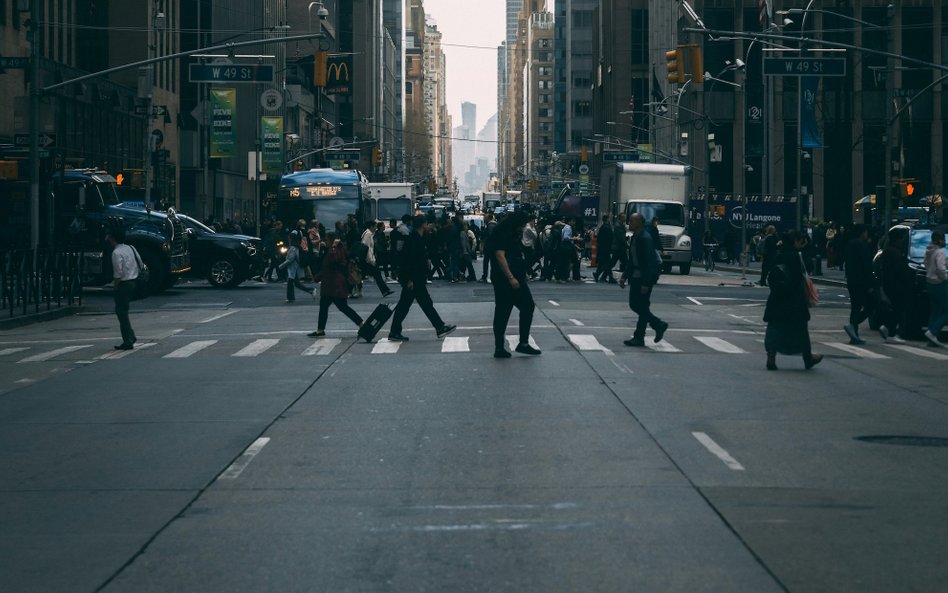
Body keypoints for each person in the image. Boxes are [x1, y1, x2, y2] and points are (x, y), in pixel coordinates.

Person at [388, 215, 457, 342]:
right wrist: (409, 279)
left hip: (415, 278)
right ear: (423, 225)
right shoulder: (414, 239)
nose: (429, 226)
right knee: (424, 304)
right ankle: (439, 327)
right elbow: (409, 261)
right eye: (427, 224)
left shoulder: (416, 237)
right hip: (414, 279)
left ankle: (395, 331)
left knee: (406, 305)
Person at [763, 230, 822, 370]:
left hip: (777, 297)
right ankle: (807, 358)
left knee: (774, 328)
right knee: (801, 329)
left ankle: (771, 356)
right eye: (799, 240)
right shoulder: (796, 256)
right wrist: (806, 249)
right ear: (795, 241)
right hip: (794, 298)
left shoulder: (778, 254)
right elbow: (808, 269)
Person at [491, 212, 541, 359]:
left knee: (525, 307)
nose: (523, 228)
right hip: (505, 279)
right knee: (504, 311)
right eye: (522, 225)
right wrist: (511, 277)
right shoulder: (501, 233)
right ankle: (502, 347)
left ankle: (521, 344)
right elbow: (500, 256)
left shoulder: (512, 233)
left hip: (515, 277)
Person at [618, 213, 668, 347]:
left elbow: (650, 263)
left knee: (640, 305)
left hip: (644, 277)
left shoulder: (645, 238)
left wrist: (646, 282)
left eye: (632, 221)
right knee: (637, 305)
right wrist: (624, 276)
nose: (629, 223)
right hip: (635, 276)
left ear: (639, 222)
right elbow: (632, 260)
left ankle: (642, 335)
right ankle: (656, 325)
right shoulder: (636, 237)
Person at [307, 233, 364, 338]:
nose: (326, 242)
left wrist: (333, 246)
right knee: (327, 307)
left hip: (334, 285)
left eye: (327, 240)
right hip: (332, 284)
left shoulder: (335, 250)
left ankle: (361, 324)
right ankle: (320, 330)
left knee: (342, 307)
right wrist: (318, 277)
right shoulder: (339, 249)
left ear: (331, 240)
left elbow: (334, 260)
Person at [107, 226, 140, 350]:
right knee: (123, 311)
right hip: (134, 281)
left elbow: (118, 273)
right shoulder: (131, 248)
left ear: (113, 238)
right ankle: (130, 335)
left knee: (121, 312)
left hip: (124, 284)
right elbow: (140, 263)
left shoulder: (116, 253)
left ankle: (128, 340)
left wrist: (115, 286)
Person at [878, 227, 912, 343]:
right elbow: (899, 271)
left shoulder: (888, 251)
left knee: (895, 308)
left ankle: (888, 329)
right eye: (901, 239)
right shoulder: (894, 253)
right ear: (897, 240)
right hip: (896, 285)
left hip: (890, 284)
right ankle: (890, 332)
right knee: (897, 308)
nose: (902, 241)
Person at [843, 224, 875, 345]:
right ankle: (852, 325)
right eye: (866, 232)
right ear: (862, 233)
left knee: (855, 307)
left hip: (852, 279)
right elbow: (866, 266)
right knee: (870, 305)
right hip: (862, 281)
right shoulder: (862, 245)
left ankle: (854, 334)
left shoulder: (849, 244)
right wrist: (870, 284)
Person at [923, 229, 947, 347]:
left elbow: (926, 264)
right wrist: (946, 277)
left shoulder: (928, 250)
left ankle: (931, 338)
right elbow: (941, 269)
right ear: (939, 240)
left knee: (935, 310)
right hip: (939, 283)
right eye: (943, 239)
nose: (945, 241)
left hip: (929, 283)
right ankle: (933, 332)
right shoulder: (940, 252)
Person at [360, 220, 395, 297]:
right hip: (369, 260)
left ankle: (385, 290)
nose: (376, 228)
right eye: (375, 226)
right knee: (364, 275)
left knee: (377, 275)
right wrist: (371, 260)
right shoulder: (368, 234)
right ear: (371, 227)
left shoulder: (369, 233)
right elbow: (367, 248)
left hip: (369, 259)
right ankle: (385, 290)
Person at [279, 230, 308, 303]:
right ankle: (311, 290)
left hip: (293, 268)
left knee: (290, 284)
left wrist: (281, 266)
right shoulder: (295, 246)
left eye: (289, 238)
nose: (288, 239)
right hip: (294, 268)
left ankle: (291, 298)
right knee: (296, 284)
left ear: (291, 239)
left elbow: (290, 259)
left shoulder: (293, 248)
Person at [594, 214, 614, 283]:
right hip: (606, 248)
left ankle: (603, 276)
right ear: (607, 219)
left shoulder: (603, 227)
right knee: (608, 263)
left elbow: (599, 238)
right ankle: (598, 274)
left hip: (602, 247)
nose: (610, 219)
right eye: (609, 218)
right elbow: (610, 238)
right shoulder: (607, 227)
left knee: (603, 263)